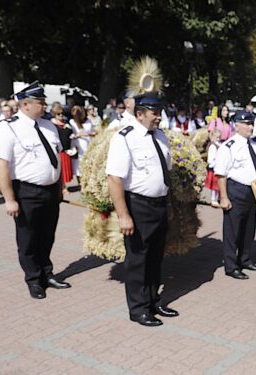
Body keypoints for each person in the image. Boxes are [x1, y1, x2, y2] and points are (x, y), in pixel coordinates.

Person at [0, 81, 71, 299]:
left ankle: (46, 272)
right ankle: (33, 279)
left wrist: (60, 185)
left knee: (47, 235)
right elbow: (1, 165)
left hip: (51, 190)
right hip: (26, 191)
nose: (44, 106)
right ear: (25, 104)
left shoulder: (49, 125)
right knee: (28, 238)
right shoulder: (7, 128)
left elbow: (56, 158)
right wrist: (9, 199)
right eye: (40, 102)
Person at [106, 91, 178, 327]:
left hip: (158, 205)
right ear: (140, 114)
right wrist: (124, 215)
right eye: (155, 113)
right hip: (138, 206)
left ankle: (152, 300)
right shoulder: (124, 138)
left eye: (160, 113)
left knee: (156, 258)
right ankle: (137, 309)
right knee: (138, 259)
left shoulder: (161, 136)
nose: (159, 117)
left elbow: (164, 173)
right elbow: (115, 178)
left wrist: (167, 205)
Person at [214, 110, 256, 280]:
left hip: (254, 190)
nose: (250, 127)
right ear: (236, 126)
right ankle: (231, 265)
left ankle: (245, 259)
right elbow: (221, 174)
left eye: (252, 123)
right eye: (246, 123)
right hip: (237, 190)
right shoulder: (228, 146)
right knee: (233, 230)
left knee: (249, 227)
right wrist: (224, 197)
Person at [51, 105, 75, 194]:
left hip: (66, 150)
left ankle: (63, 187)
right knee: (61, 170)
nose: (61, 115)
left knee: (66, 170)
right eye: (58, 114)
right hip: (58, 150)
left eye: (62, 114)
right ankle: (62, 188)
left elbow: (71, 134)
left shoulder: (66, 123)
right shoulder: (52, 124)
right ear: (54, 114)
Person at [70, 105, 96, 178]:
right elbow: (70, 134)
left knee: (87, 163)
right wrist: (77, 135)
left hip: (88, 144)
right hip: (77, 145)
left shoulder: (88, 121)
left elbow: (94, 132)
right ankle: (80, 182)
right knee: (77, 164)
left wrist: (88, 134)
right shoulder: (72, 122)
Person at [204, 129, 222, 207]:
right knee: (214, 186)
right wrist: (214, 165)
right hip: (214, 168)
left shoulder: (220, 145)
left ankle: (218, 198)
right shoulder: (213, 146)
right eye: (217, 137)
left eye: (219, 137)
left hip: (219, 168)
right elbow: (210, 159)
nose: (219, 139)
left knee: (219, 185)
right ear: (213, 137)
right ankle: (213, 199)